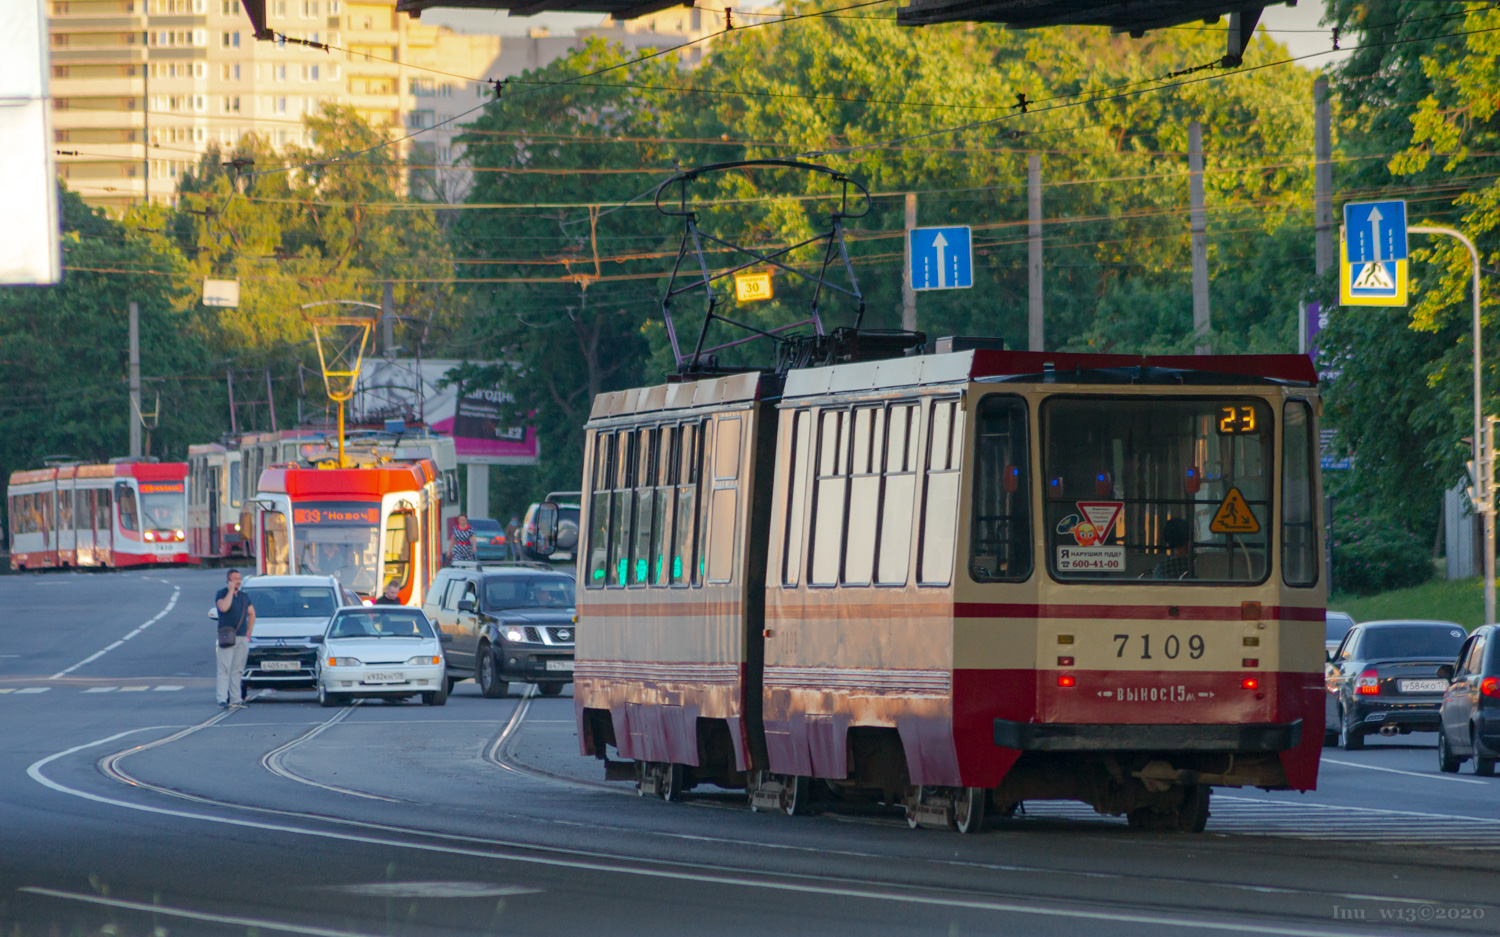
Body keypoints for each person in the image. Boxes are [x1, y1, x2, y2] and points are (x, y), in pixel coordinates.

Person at [214, 569, 256, 708]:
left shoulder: (244, 596)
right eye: (235, 579)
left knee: (237, 670)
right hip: (227, 636)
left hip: (242, 637)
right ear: (229, 580)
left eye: (239, 578)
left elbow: (252, 613)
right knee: (224, 668)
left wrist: (249, 630)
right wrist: (231, 591)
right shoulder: (221, 594)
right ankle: (222, 698)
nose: (239, 581)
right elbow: (224, 608)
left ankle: (236, 698)